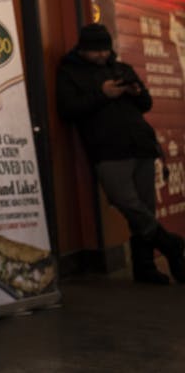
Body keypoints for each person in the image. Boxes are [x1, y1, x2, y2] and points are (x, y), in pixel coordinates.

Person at [57, 22, 185, 284]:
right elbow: (68, 109)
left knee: (145, 208)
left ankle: (145, 268)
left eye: (105, 49)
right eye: (96, 51)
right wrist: (102, 94)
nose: (102, 55)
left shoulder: (121, 68)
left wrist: (137, 93)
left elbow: (146, 105)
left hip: (140, 144)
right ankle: (171, 244)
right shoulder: (70, 72)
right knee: (126, 202)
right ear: (83, 49)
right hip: (107, 148)